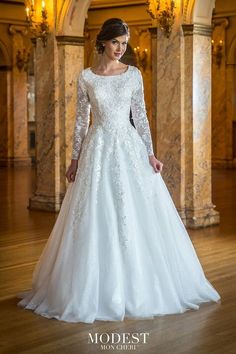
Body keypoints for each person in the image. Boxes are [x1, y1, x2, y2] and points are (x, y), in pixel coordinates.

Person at [17, 18, 221, 323]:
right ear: (103, 42)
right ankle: (89, 288)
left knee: (134, 213)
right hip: (97, 147)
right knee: (94, 213)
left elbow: (140, 116)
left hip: (128, 147)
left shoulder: (133, 75)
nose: (121, 49)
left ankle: (141, 284)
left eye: (125, 43)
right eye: (116, 42)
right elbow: (79, 123)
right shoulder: (86, 77)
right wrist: (74, 159)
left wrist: (150, 154)